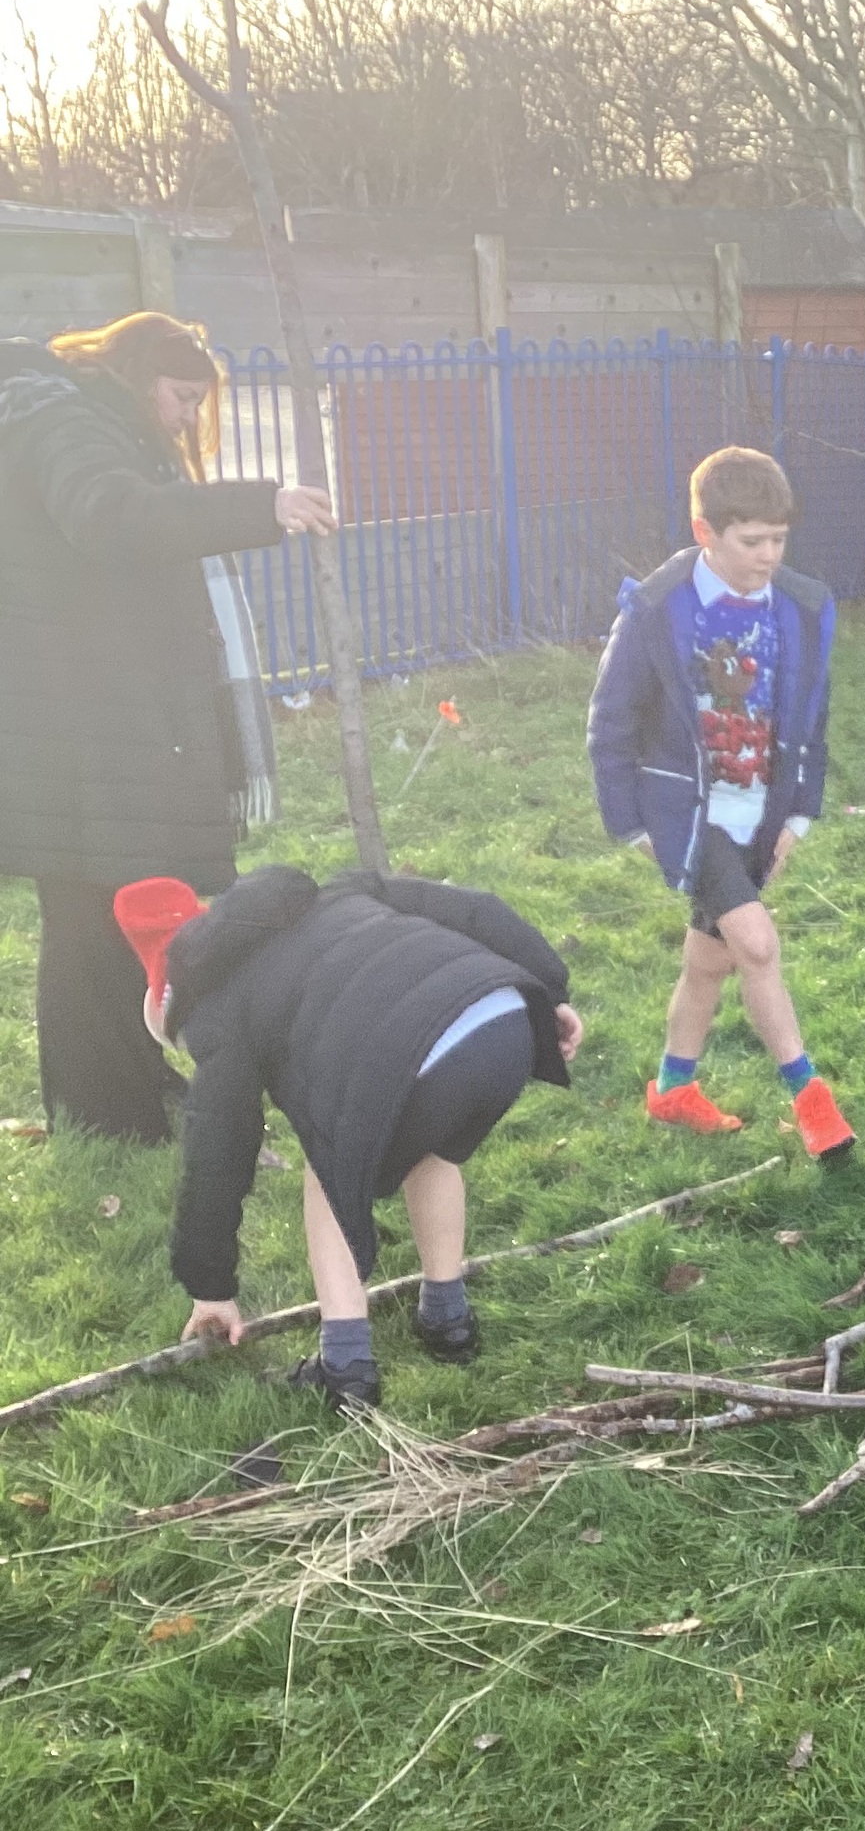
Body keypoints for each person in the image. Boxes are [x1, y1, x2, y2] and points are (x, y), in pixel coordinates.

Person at [0, 313, 335, 1144]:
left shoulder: (87, 421)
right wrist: (262, 504)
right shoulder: (63, 420)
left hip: (93, 718)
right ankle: (106, 1118)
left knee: (116, 918)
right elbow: (114, 519)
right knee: (88, 928)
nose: (189, 418)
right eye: (183, 397)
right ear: (140, 372)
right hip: (76, 728)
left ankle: (134, 1087)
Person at [118, 866, 584, 1409]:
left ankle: (347, 1368)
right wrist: (550, 990)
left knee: (328, 1167)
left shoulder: (218, 1010)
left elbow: (217, 1157)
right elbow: (475, 908)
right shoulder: (336, 891)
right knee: (430, 1149)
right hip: (503, 1021)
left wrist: (210, 1286)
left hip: (415, 1050)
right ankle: (448, 1320)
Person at [587, 445, 854, 1156]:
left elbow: (813, 716)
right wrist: (631, 824)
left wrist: (799, 812)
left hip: (761, 813)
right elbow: (610, 722)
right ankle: (812, 1100)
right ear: (706, 532)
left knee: (709, 962)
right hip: (687, 815)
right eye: (752, 541)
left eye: (779, 539)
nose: (769, 556)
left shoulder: (802, 608)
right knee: (757, 945)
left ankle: (673, 1088)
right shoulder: (655, 609)